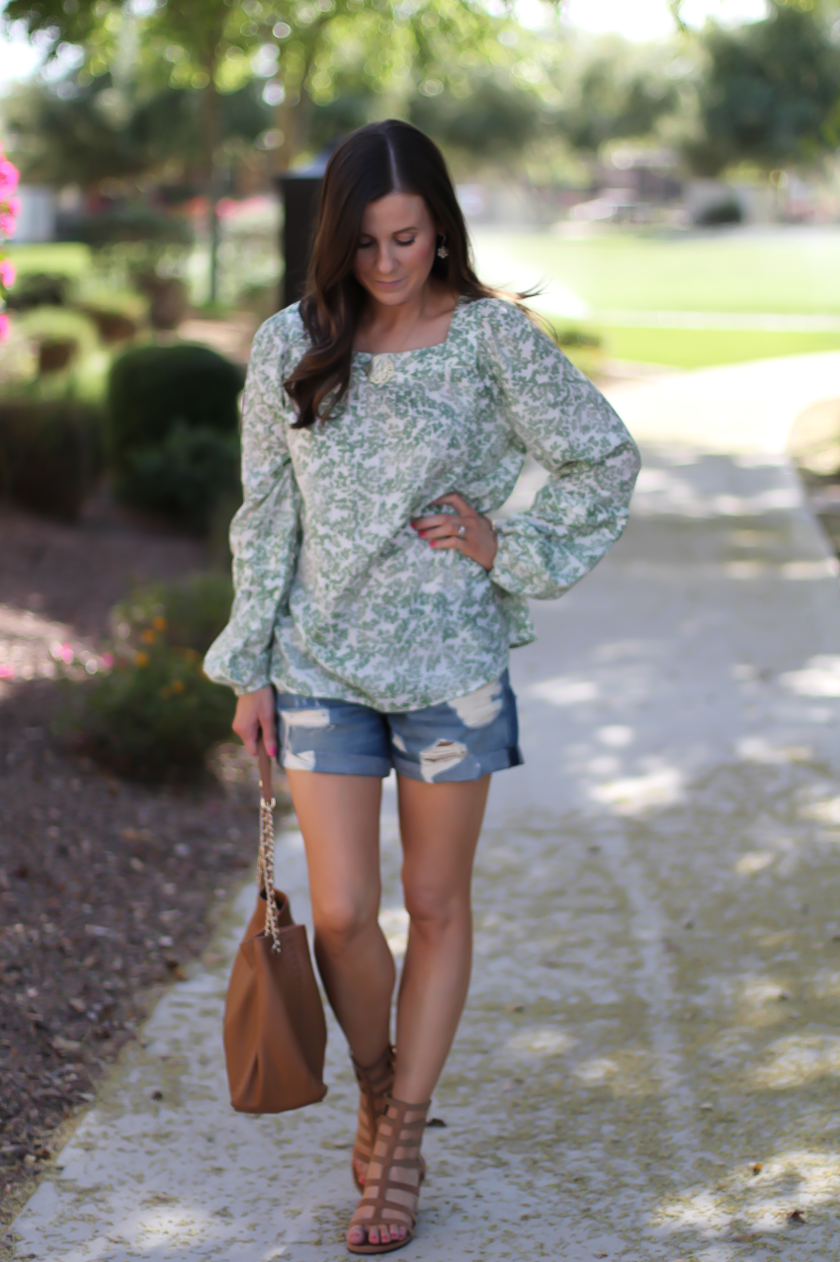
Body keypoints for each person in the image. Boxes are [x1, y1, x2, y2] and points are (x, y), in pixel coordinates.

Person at [204, 118, 640, 1254]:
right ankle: (381, 1083)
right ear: (332, 241)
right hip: (319, 667)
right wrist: (248, 660)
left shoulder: (494, 338)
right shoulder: (289, 344)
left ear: (439, 226)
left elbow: (605, 456)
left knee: (437, 905)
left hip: (452, 670)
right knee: (343, 911)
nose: (387, 263)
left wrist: (510, 547)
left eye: (405, 237)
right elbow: (267, 516)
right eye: (364, 243)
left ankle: (396, 1143)